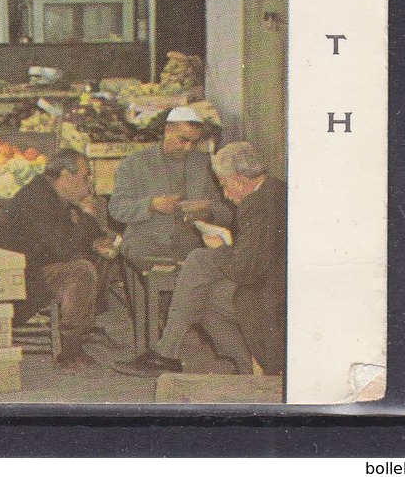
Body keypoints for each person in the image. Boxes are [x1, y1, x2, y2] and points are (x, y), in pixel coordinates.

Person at [116, 141, 286, 377]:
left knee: (201, 279)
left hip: (272, 296)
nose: (225, 194)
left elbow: (244, 270)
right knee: (200, 280)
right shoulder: (276, 190)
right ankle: (243, 368)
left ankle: (168, 354)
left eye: (225, 185)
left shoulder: (257, 206)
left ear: (239, 179)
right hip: (273, 283)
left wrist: (218, 248)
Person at [0, 150, 119, 367]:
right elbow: (64, 246)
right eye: (85, 176)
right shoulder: (36, 199)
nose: (89, 184)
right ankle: (70, 350)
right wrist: (86, 215)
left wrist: (96, 237)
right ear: (66, 175)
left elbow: (82, 235)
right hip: (15, 283)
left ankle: (84, 327)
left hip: (35, 269)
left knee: (97, 258)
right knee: (81, 271)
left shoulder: (52, 194)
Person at [108, 106, 232, 266]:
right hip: (147, 242)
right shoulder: (135, 163)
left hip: (192, 246)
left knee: (206, 265)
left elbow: (225, 214)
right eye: (183, 140)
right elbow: (116, 208)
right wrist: (151, 205)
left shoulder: (203, 163)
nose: (188, 147)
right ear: (168, 130)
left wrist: (207, 212)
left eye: (194, 142)